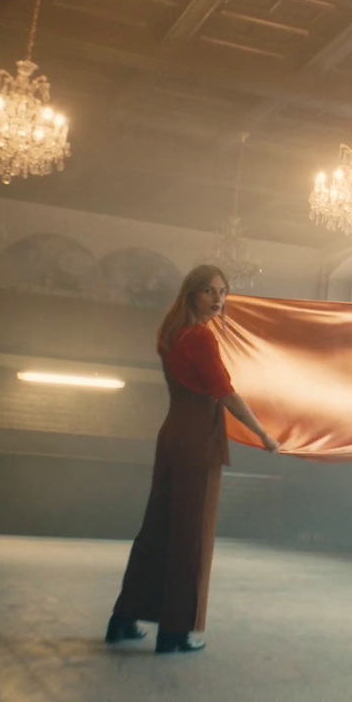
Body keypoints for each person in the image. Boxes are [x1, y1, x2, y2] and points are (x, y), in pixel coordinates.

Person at [106, 264, 277, 654]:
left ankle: (123, 618)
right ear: (192, 295)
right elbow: (226, 393)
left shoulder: (169, 335)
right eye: (209, 292)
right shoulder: (200, 338)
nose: (218, 299)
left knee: (157, 528)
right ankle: (174, 632)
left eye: (223, 292)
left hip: (172, 436)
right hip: (196, 439)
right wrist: (263, 433)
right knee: (189, 533)